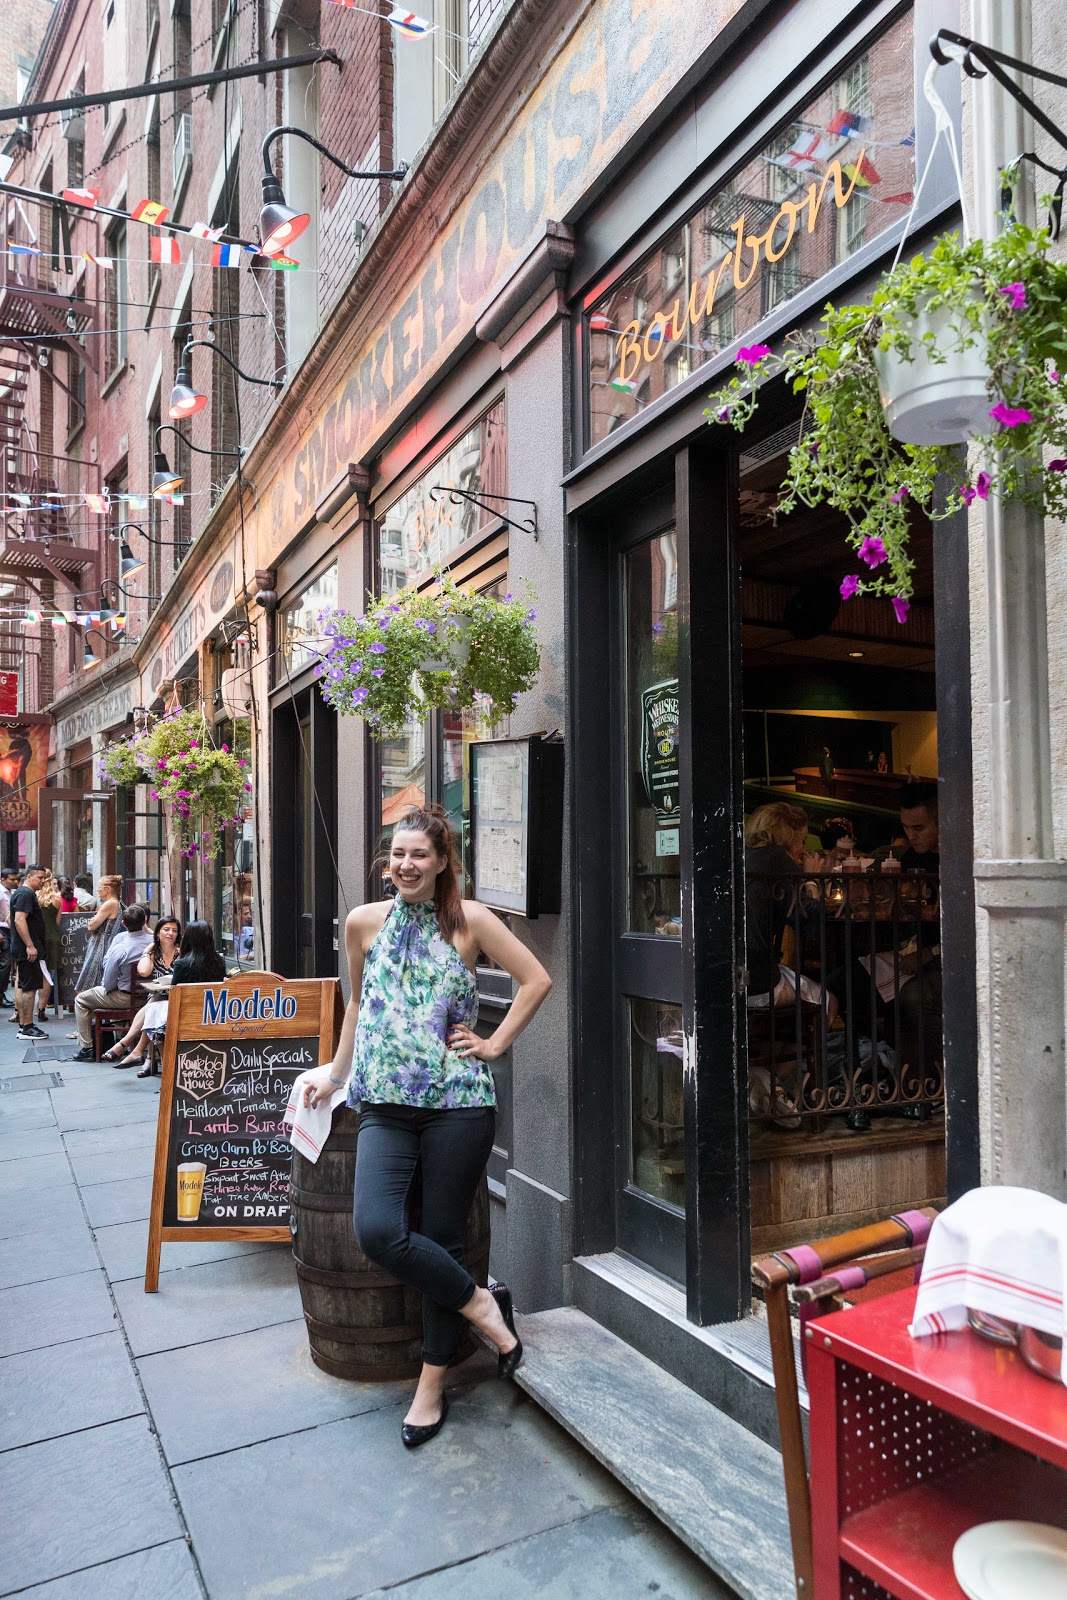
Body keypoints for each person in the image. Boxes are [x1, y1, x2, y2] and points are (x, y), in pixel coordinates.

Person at [301, 806, 552, 1449]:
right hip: (384, 1103)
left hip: (458, 1105)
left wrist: (494, 1044)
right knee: (378, 1229)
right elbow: (357, 1001)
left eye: (419, 854)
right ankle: (482, 1306)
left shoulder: (470, 921)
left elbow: (536, 979)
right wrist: (335, 1072)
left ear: (442, 861)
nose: (405, 865)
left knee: (440, 1234)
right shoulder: (363, 923)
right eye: (397, 854)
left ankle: (430, 1387)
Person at [71, 904, 152, 1061]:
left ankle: (87, 1047)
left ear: (123, 924)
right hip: (150, 996)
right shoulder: (155, 942)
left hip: (125, 998)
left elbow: (108, 983)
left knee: (80, 999)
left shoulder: (120, 948)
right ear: (145, 921)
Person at [101, 915, 181, 1071]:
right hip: (158, 996)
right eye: (166, 930)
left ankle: (128, 1046)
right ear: (158, 933)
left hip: (176, 997)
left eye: (174, 930)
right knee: (154, 1004)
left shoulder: (182, 952)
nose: (170, 933)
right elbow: (144, 971)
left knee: (153, 1005)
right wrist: (147, 950)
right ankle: (138, 1052)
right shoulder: (153, 952)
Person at [11, 864, 48, 1041]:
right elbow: (18, 920)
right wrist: (29, 945)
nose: (43, 881)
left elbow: (13, 919)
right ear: (29, 877)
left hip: (25, 946)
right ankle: (26, 1027)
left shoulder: (23, 893)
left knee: (25, 985)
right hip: (28, 948)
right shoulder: (25, 894)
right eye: (40, 877)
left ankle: (25, 1024)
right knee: (29, 987)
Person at [35, 871, 62, 1023]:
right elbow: (57, 922)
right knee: (47, 975)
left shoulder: (33, 897)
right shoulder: (57, 899)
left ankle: (26, 1010)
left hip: (36, 938)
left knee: (32, 974)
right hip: (52, 938)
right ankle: (41, 1010)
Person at [0, 866, 19, 1007]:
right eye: (11, 879)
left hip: (9, 930)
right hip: (2, 929)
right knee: (5, 963)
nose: (15, 882)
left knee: (7, 963)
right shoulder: (1, 893)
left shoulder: (12, 892)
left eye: (15, 879)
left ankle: (1, 995)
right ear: (3, 880)